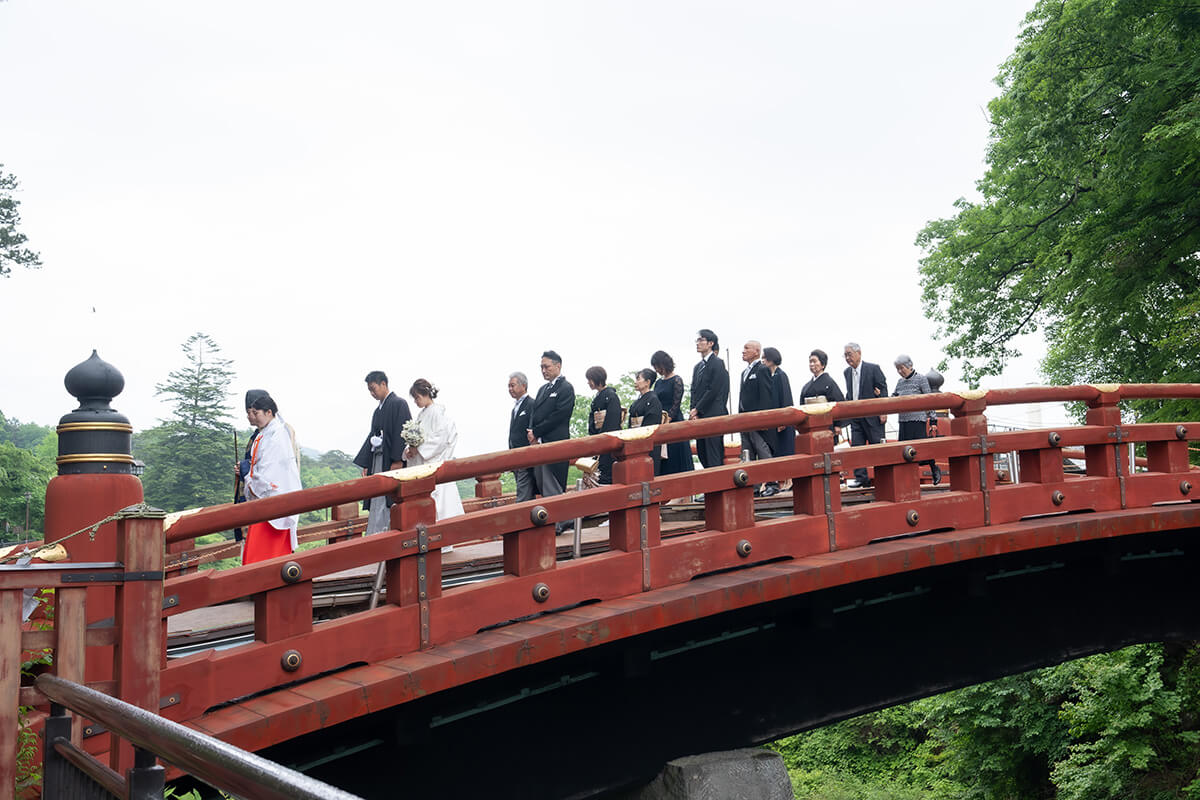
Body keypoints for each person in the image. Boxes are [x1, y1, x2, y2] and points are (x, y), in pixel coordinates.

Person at [240, 393, 302, 564]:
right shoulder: (265, 433)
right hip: (263, 498)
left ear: (269, 412)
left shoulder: (278, 435)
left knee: (263, 555)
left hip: (272, 497)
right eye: (250, 413)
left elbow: (271, 470)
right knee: (261, 553)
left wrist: (251, 480)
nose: (252, 417)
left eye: (255, 413)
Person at [404, 379, 466, 521]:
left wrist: (418, 448)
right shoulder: (422, 414)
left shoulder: (437, 413)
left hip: (432, 463)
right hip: (422, 462)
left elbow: (440, 439)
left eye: (417, 398)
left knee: (440, 504)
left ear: (426, 395)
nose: (416, 402)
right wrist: (410, 448)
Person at [528, 350, 575, 532]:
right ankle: (554, 520)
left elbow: (560, 415)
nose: (543, 370)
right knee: (542, 483)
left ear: (558, 366)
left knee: (553, 482)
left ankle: (560, 521)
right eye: (541, 367)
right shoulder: (543, 389)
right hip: (539, 442)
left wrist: (538, 431)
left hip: (555, 441)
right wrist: (532, 432)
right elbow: (535, 413)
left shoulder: (565, 388)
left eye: (546, 366)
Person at [892, 354, 942, 485]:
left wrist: (933, 421)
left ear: (910, 366)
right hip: (903, 420)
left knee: (920, 450)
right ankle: (907, 481)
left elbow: (929, 400)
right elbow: (894, 396)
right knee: (903, 452)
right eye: (897, 369)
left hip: (917, 419)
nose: (900, 371)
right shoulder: (899, 382)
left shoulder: (921, 379)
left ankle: (934, 468)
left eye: (902, 368)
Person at [843, 342, 888, 488]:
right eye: (845, 355)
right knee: (857, 447)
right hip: (855, 416)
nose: (847, 358)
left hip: (873, 415)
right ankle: (861, 478)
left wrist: (883, 411)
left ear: (859, 353)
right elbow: (850, 393)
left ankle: (883, 477)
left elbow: (883, 390)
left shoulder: (873, 368)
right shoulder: (846, 372)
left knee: (877, 447)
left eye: (849, 354)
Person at [353, 371, 412, 476]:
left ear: (383, 384)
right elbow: (372, 436)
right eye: (369, 390)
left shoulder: (399, 404)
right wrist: (366, 464)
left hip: (391, 459)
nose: (372, 393)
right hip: (376, 457)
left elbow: (402, 433)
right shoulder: (377, 411)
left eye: (373, 389)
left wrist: (398, 460)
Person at [738, 340, 778, 495]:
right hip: (744, 419)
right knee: (747, 451)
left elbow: (766, 395)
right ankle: (753, 486)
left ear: (756, 351)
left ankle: (771, 483)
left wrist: (764, 419)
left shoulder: (762, 369)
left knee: (762, 450)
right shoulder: (744, 372)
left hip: (756, 419)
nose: (743, 351)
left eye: (746, 348)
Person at [689, 329, 729, 468]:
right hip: (699, 416)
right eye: (697, 341)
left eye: (701, 340)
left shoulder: (718, 363)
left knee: (713, 455)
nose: (698, 343)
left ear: (711, 343)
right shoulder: (697, 367)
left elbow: (714, 390)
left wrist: (698, 409)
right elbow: (693, 390)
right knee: (702, 453)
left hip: (713, 414)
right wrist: (692, 411)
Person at [651, 350, 694, 475]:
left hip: (673, 420)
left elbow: (676, 403)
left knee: (676, 457)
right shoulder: (658, 382)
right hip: (661, 420)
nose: (657, 370)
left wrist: (668, 419)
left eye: (657, 366)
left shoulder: (677, 380)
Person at [761, 347, 794, 492]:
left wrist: (784, 420)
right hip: (772, 421)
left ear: (771, 359)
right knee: (775, 451)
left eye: (764, 358)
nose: (762, 361)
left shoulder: (781, 375)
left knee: (786, 450)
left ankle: (789, 480)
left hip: (783, 421)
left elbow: (786, 398)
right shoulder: (768, 376)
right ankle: (776, 481)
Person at [798, 349, 845, 443]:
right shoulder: (806, 387)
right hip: (811, 424)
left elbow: (839, 402)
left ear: (822, 364)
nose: (811, 364)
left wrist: (838, 424)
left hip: (827, 423)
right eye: (810, 362)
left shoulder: (829, 383)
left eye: (814, 361)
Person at [586, 366, 622, 485]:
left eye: (590, 379)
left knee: (606, 469)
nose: (588, 382)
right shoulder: (597, 397)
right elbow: (592, 418)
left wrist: (602, 436)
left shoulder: (611, 396)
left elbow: (613, 419)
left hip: (607, 438)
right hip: (598, 436)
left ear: (597, 378)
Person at [507, 372, 535, 502]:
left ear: (523, 385)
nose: (510, 389)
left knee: (523, 492)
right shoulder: (515, 408)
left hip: (525, 455)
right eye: (509, 386)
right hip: (515, 455)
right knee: (523, 489)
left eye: (512, 385)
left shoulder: (531, 404)